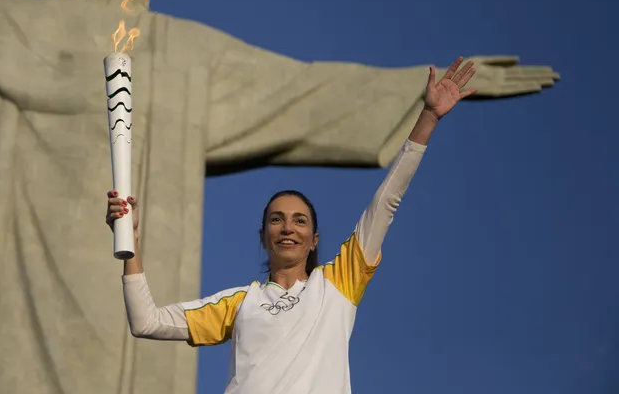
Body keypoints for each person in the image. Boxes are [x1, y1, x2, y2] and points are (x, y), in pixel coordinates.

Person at [106, 57, 478, 394]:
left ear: (313, 239)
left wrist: (428, 117)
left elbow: (386, 202)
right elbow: (146, 322)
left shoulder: (338, 284)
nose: (288, 228)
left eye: (299, 221)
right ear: (263, 236)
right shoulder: (239, 304)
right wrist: (131, 242)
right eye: (277, 220)